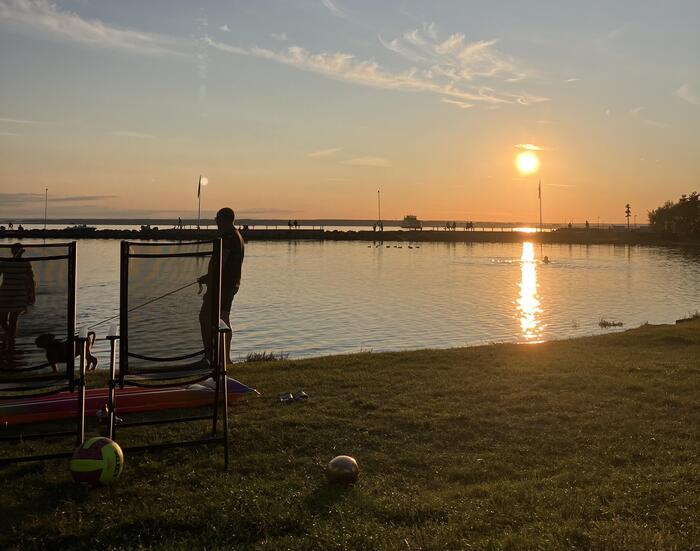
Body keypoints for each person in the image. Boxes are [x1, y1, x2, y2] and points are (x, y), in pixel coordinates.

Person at [198, 208, 245, 365]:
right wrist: (208, 276)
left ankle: (209, 357)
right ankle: (225, 358)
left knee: (205, 317)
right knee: (224, 318)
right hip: (231, 284)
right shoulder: (237, 235)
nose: (216, 221)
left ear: (224, 219)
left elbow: (221, 262)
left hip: (222, 285)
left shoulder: (228, 237)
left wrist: (211, 280)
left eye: (217, 218)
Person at [0, 243, 36, 353]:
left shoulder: (25, 263)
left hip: (19, 294)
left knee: (13, 319)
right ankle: (9, 336)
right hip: (5, 293)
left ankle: (11, 342)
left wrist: (32, 294)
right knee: (2, 318)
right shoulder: (5, 262)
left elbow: (30, 280)